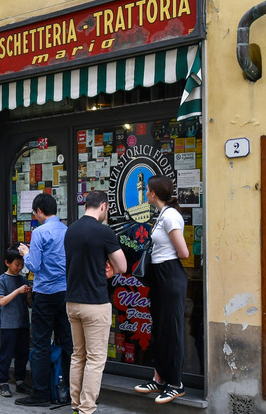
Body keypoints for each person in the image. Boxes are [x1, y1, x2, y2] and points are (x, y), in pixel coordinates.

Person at [64, 190, 127, 414]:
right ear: (103, 207)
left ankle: (75, 406)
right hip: (95, 303)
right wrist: (108, 270)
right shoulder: (104, 232)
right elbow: (122, 267)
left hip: (72, 302)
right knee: (96, 359)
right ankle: (87, 409)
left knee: (78, 355)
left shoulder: (70, 230)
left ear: (85, 206)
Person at [133, 175, 190, 404]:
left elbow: (184, 252)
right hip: (160, 275)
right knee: (159, 327)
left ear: (153, 193)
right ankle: (158, 378)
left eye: (147, 189)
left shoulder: (171, 216)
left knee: (171, 330)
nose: (146, 192)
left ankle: (175, 384)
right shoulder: (163, 214)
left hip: (170, 274)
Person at [15, 193, 72, 407]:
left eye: (35, 213)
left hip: (45, 294)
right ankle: (67, 390)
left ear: (39, 211)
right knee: (67, 343)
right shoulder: (67, 231)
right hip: (65, 293)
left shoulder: (39, 233)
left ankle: (41, 393)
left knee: (40, 343)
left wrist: (26, 252)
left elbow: (35, 266)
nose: (35, 216)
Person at [0, 245, 32, 398]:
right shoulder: (2, 279)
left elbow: (29, 304)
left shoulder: (23, 279)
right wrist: (18, 291)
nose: (19, 267)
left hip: (23, 322)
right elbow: (2, 302)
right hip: (8, 324)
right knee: (6, 354)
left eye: (21, 264)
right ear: (7, 263)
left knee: (22, 354)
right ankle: (3, 382)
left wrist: (28, 294)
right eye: (17, 264)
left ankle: (19, 381)